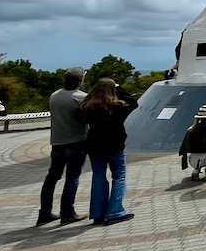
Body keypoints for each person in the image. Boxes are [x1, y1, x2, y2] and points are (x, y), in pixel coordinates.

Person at [80, 78, 138, 226]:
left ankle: (98, 213)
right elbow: (133, 101)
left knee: (98, 177)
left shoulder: (88, 106)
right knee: (119, 177)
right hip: (114, 145)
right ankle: (115, 211)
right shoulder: (117, 107)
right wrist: (118, 88)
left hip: (94, 145)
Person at [37, 67, 88, 226]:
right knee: (72, 177)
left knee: (52, 177)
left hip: (57, 143)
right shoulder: (81, 98)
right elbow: (85, 118)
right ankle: (67, 212)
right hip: (76, 142)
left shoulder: (54, 96)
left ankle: (44, 212)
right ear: (80, 80)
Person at [180, 105, 206, 182]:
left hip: (193, 161)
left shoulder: (191, 130)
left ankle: (196, 170)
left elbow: (184, 147)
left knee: (197, 163)